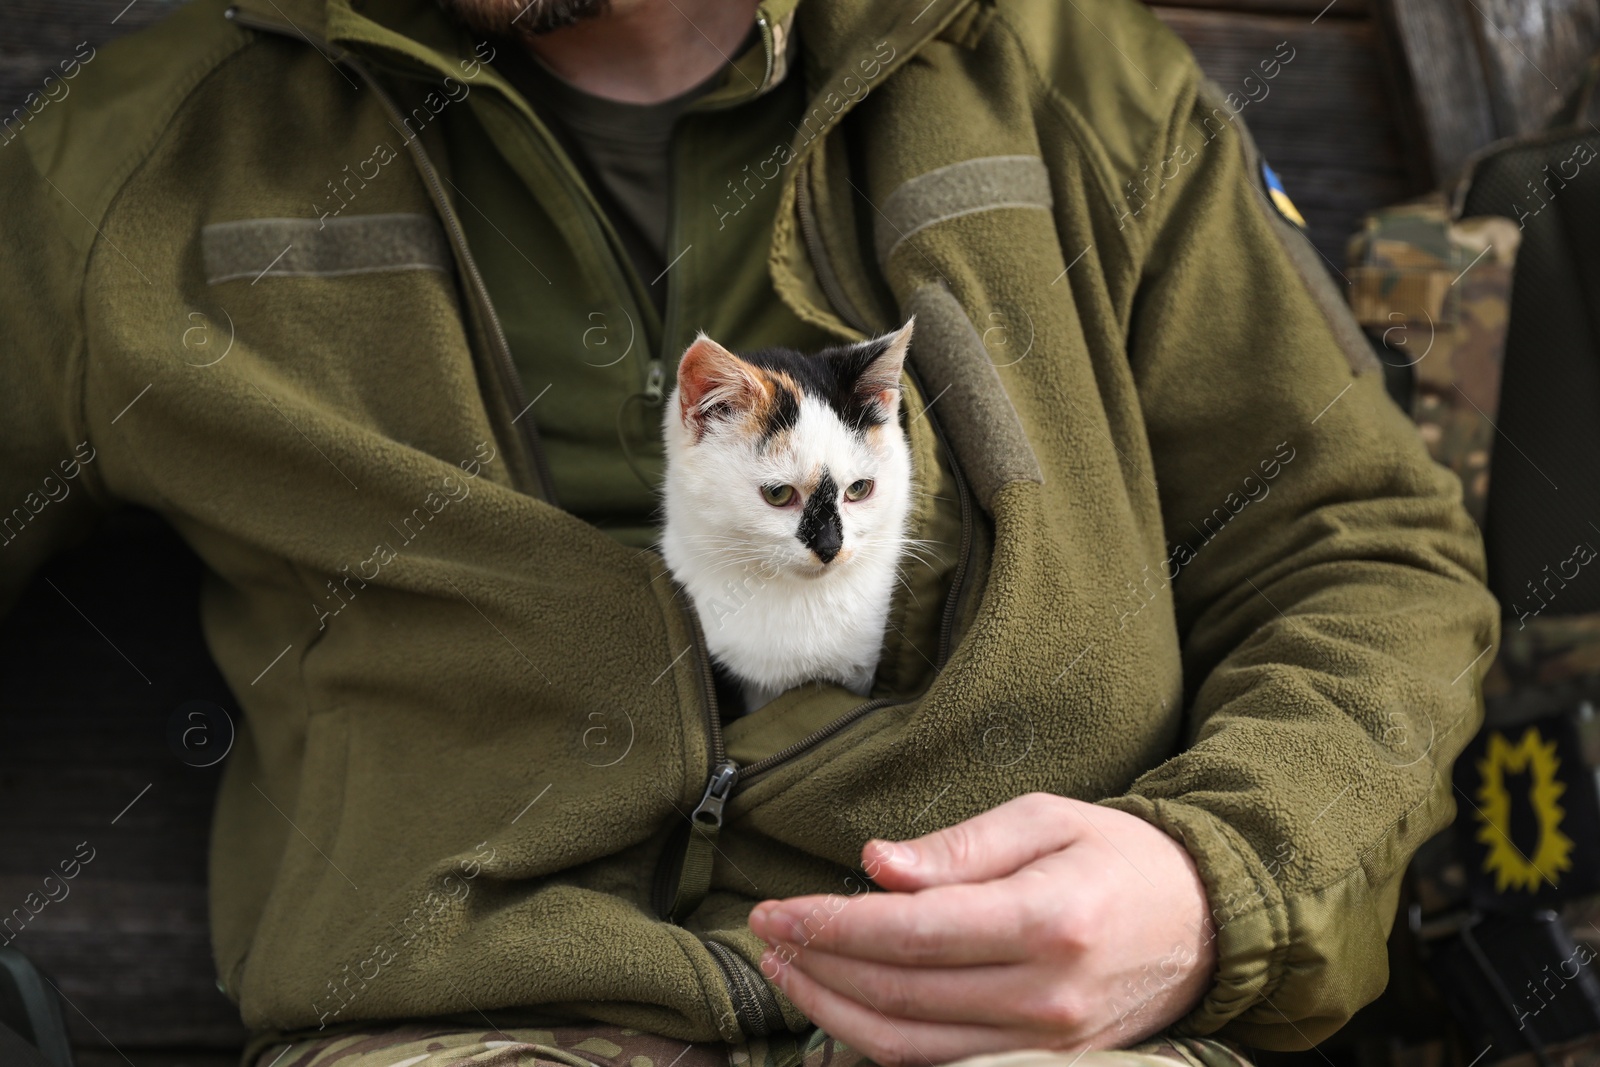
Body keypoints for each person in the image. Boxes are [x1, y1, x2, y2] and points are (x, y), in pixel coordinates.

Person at [0, 0, 1499, 1064]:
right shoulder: (138, 165)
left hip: (1040, 1031)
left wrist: (1207, 884)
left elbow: (1358, 552)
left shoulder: (1066, 78)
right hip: (451, 1028)